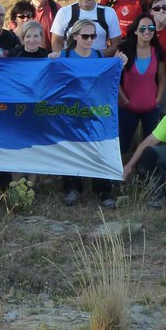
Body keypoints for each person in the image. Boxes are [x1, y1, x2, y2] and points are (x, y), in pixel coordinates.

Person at [56, 21, 101, 206]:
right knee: (70, 149)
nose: (89, 40)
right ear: (75, 36)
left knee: (98, 148)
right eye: (85, 36)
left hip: (93, 110)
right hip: (69, 110)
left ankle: (102, 189)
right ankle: (72, 188)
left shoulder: (99, 56)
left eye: (93, 36)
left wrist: (119, 63)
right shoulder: (64, 55)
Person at [118, 14, 166, 167]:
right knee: (123, 143)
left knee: (150, 145)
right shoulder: (124, 51)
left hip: (151, 108)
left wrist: (157, 100)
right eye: (143, 28)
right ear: (135, 31)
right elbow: (114, 79)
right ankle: (119, 172)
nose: (147, 31)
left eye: (151, 28)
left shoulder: (157, 52)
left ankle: (144, 172)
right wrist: (125, 100)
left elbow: (162, 79)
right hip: (127, 109)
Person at [51, 0, 122, 55]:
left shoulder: (109, 13)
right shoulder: (64, 13)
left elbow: (116, 44)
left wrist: (95, 57)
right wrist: (67, 59)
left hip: (99, 64)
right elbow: (56, 42)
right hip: (71, 64)